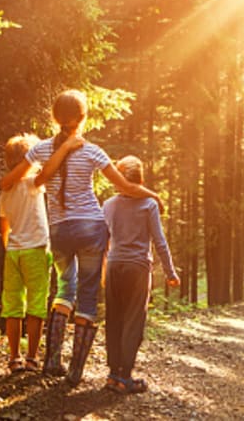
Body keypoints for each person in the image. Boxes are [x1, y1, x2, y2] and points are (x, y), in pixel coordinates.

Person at [0, 89, 162, 386]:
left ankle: (51, 361)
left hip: (59, 231)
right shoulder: (92, 151)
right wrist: (153, 195)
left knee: (64, 289)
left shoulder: (40, 150)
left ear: (54, 117)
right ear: (83, 118)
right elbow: (125, 187)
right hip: (90, 228)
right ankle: (75, 371)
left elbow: (15, 180)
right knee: (87, 297)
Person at [102, 155, 180, 394]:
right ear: (140, 179)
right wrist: (170, 272)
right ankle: (125, 376)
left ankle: (113, 374)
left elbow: (102, 240)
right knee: (133, 321)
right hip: (137, 269)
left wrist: (101, 269)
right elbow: (159, 241)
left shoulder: (109, 205)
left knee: (113, 319)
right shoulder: (149, 205)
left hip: (115, 266)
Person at [0, 133, 50, 373]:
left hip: (13, 252)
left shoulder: (5, 193)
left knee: (13, 305)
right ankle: (31, 357)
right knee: (36, 302)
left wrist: (12, 247)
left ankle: (13, 357)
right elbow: (48, 170)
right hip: (36, 249)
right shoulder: (33, 185)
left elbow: (4, 229)